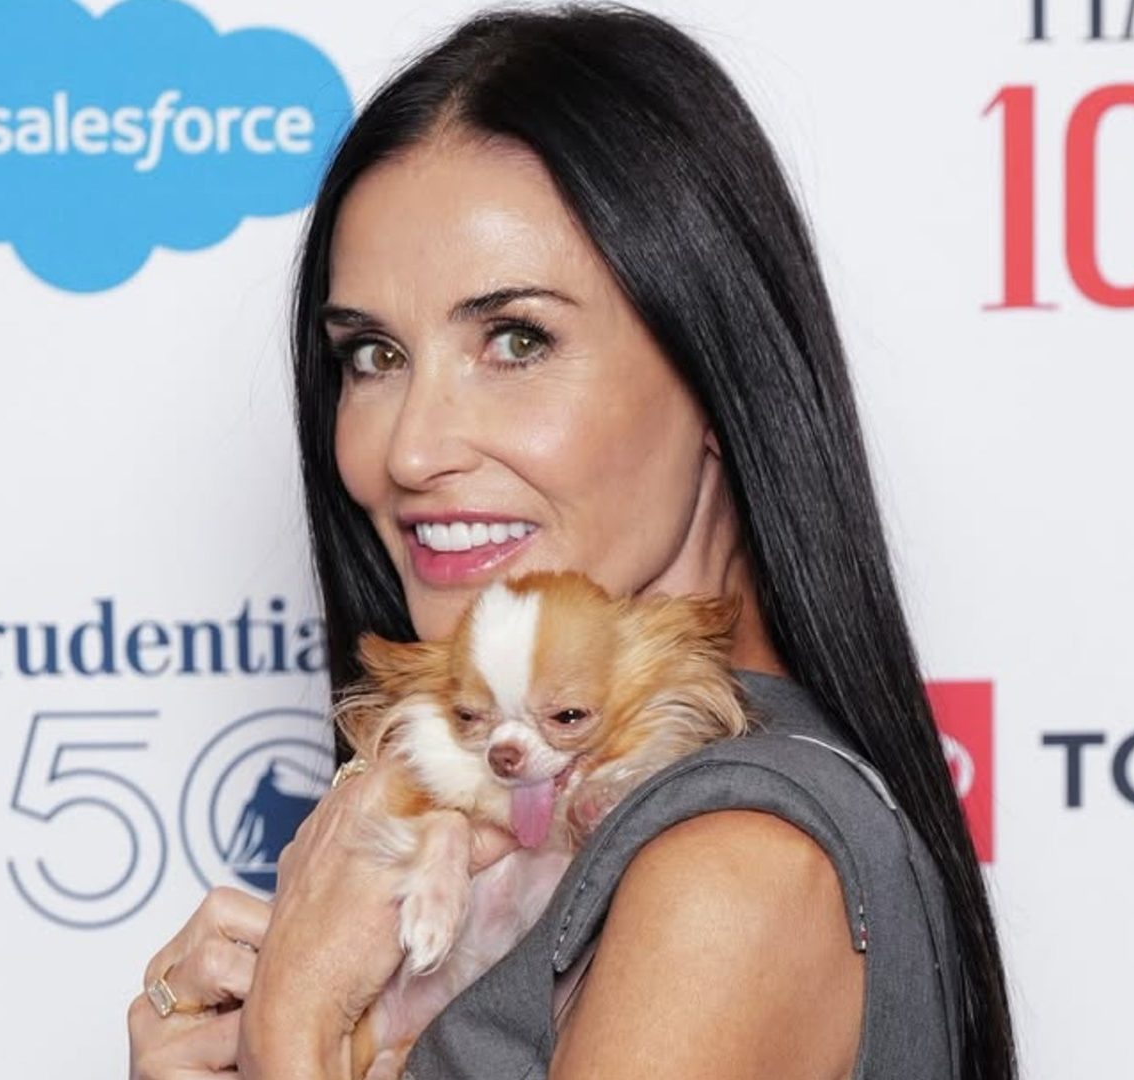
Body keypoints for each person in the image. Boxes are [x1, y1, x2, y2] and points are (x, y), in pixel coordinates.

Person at [126, 5, 1018, 1078]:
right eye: (372, 355)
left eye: (516, 340)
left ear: (715, 375)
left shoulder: (730, 872)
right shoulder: (553, 816)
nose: (410, 449)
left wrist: (294, 1021)